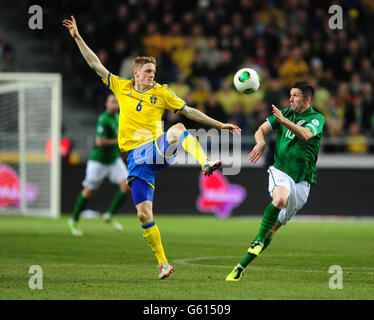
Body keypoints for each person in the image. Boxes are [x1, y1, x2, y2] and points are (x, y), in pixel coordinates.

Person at [62, 16, 240, 279]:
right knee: (144, 215)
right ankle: (163, 264)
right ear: (135, 73)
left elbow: (189, 111)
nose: (151, 75)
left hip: (154, 148)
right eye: (147, 72)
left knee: (177, 129)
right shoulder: (122, 87)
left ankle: (205, 162)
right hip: (136, 160)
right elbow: (95, 64)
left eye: (153, 72)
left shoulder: (162, 92)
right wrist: (77, 37)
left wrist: (219, 124)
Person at [226, 81, 325, 281]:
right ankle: (258, 240)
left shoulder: (316, 118)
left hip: (303, 182)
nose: (290, 99)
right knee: (279, 200)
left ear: (307, 99)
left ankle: (239, 268)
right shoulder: (285, 114)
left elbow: (306, 135)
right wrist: (261, 142)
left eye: (295, 95)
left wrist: (283, 120)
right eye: (290, 95)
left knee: (272, 231)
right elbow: (260, 130)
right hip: (280, 170)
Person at [68, 94, 130, 236]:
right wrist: (119, 141)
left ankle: (109, 215)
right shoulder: (104, 119)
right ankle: (74, 220)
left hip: (113, 159)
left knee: (127, 184)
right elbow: (99, 142)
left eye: (116, 101)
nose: (115, 103)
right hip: (99, 161)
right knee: (89, 191)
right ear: (106, 104)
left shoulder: (118, 117)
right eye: (112, 101)